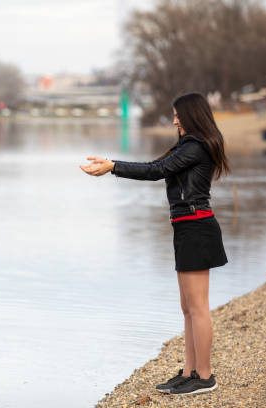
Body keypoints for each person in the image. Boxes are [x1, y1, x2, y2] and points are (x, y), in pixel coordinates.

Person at [79, 92, 229, 395]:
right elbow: (154, 166)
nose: (174, 120)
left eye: (178, 115)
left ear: (191, 116)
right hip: (187, 227)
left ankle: (205, 376)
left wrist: (112, 166)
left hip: (197, 227)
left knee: (198, 308)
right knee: (187, 307)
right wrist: (112, 165)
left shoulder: (196, 147)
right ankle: (190, 371)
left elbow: (154, 171)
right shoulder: (187, 147)